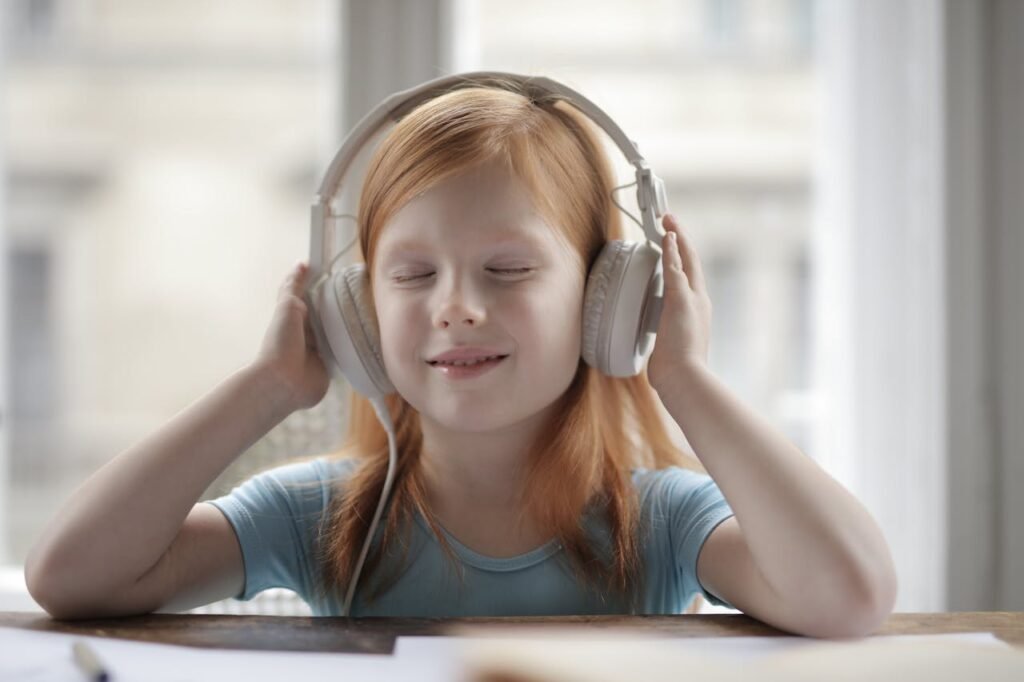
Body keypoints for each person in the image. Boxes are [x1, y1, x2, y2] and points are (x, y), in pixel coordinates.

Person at [24, 79, 897, 638]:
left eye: (508, 269)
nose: (456, 306)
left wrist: (685, 379)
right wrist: (266, 390)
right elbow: (68, 576)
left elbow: (851, 595)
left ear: (610, 302)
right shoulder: (327, 517)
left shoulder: (658, 521)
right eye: (412, 275)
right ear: (357, 315)